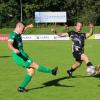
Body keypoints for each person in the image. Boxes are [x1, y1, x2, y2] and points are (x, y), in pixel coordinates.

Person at [8, 22, 58, 92]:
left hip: (23, 55)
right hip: (19, 56)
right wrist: (14, 49)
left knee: (31, 71)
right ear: (18, 27)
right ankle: (52, 71)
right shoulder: (12, 34)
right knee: (35, 65)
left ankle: (21, 87)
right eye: (22, 29)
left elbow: (24, 29)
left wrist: (28, 26)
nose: (23, 31)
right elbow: (9, 44)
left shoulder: (19, 33)